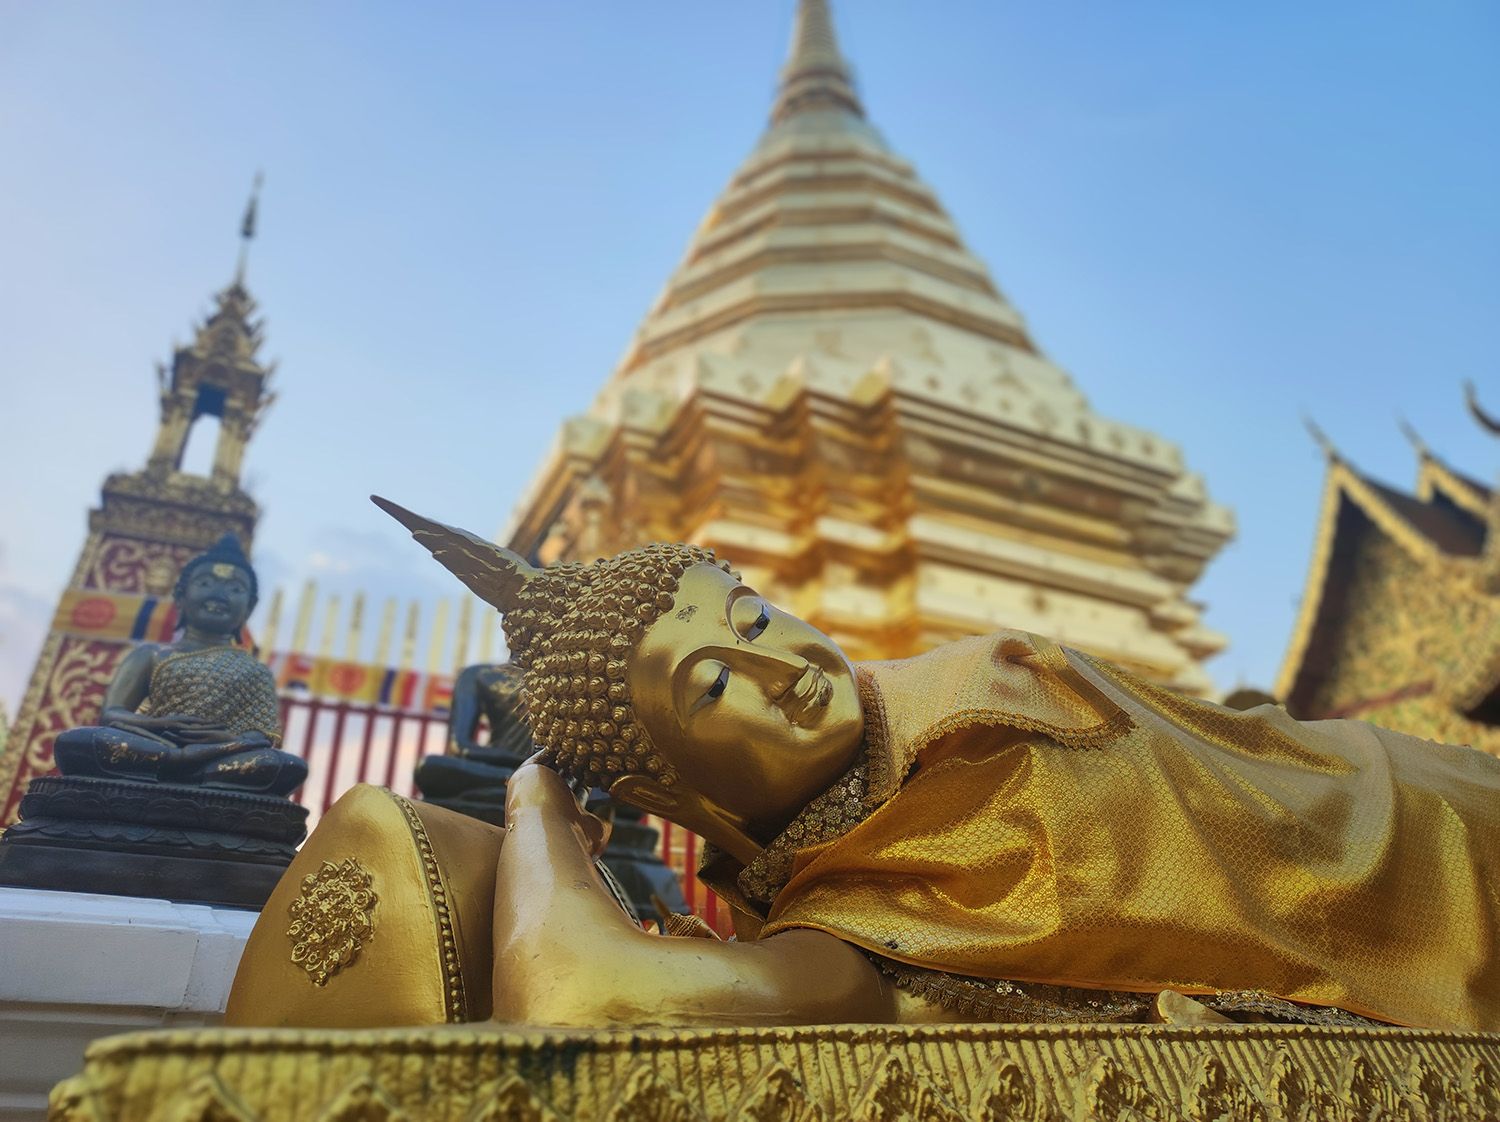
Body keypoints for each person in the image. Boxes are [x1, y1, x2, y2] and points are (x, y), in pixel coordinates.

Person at [228, 500, 1500, 1031]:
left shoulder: (962, 676)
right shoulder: (860, 922)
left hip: (1398, 792)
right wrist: (535, 791)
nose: (784, 665)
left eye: (753, 615)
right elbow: (593, 1000)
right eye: (715, 687)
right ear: (676, 793)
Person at [52, 534, 307, 797]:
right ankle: (181, 764)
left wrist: (224, 742)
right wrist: (161, 724)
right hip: (153, 743)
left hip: (218, 755)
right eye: (205, 583)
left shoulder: (255, 670)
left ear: (249, 608)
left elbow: (260, 737)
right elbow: (112, 714)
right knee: (76, 742)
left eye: (235, 589)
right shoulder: (151, 654)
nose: (219, 594)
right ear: (181, 597)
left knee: (285, 765)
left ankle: (178, 765)